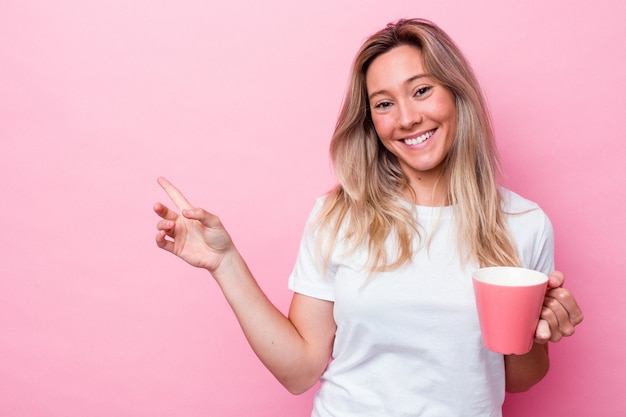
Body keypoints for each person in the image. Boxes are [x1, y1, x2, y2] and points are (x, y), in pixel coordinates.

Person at [153, 18, 583, 417]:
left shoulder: (524, 222)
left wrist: (540, 331)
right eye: (383, 104)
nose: (407, 118)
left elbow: (519, 377)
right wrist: (224, 263)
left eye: (421, 90)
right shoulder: (338, 216)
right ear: (370, 121)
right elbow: (300, 370)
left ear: (456, 92)